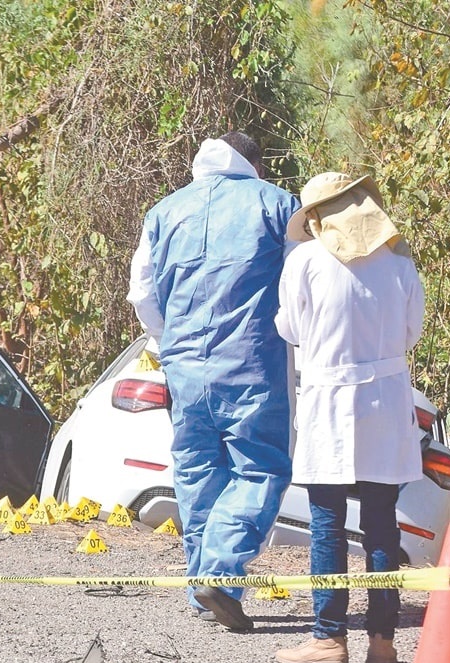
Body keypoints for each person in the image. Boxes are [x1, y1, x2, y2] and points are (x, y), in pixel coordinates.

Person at [127, 132, 301, 631]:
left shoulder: (163, 212)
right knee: (260, 468)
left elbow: (142, 294)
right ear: (255, 163)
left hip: (182, 365)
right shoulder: (277, 204)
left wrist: (170, 340)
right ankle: (221, 577)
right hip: (252, 361)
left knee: (197, 473)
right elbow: (300, 283)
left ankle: (204, 592)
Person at [273, 172, 425, 663]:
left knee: (327, 523)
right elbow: (412, 332)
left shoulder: (306, 260)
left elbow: (291, 329)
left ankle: (328, 640)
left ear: (321, 216)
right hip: (386, 400)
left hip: (328, 401)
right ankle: (382, 642)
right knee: (383, 525)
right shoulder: (400, 263)